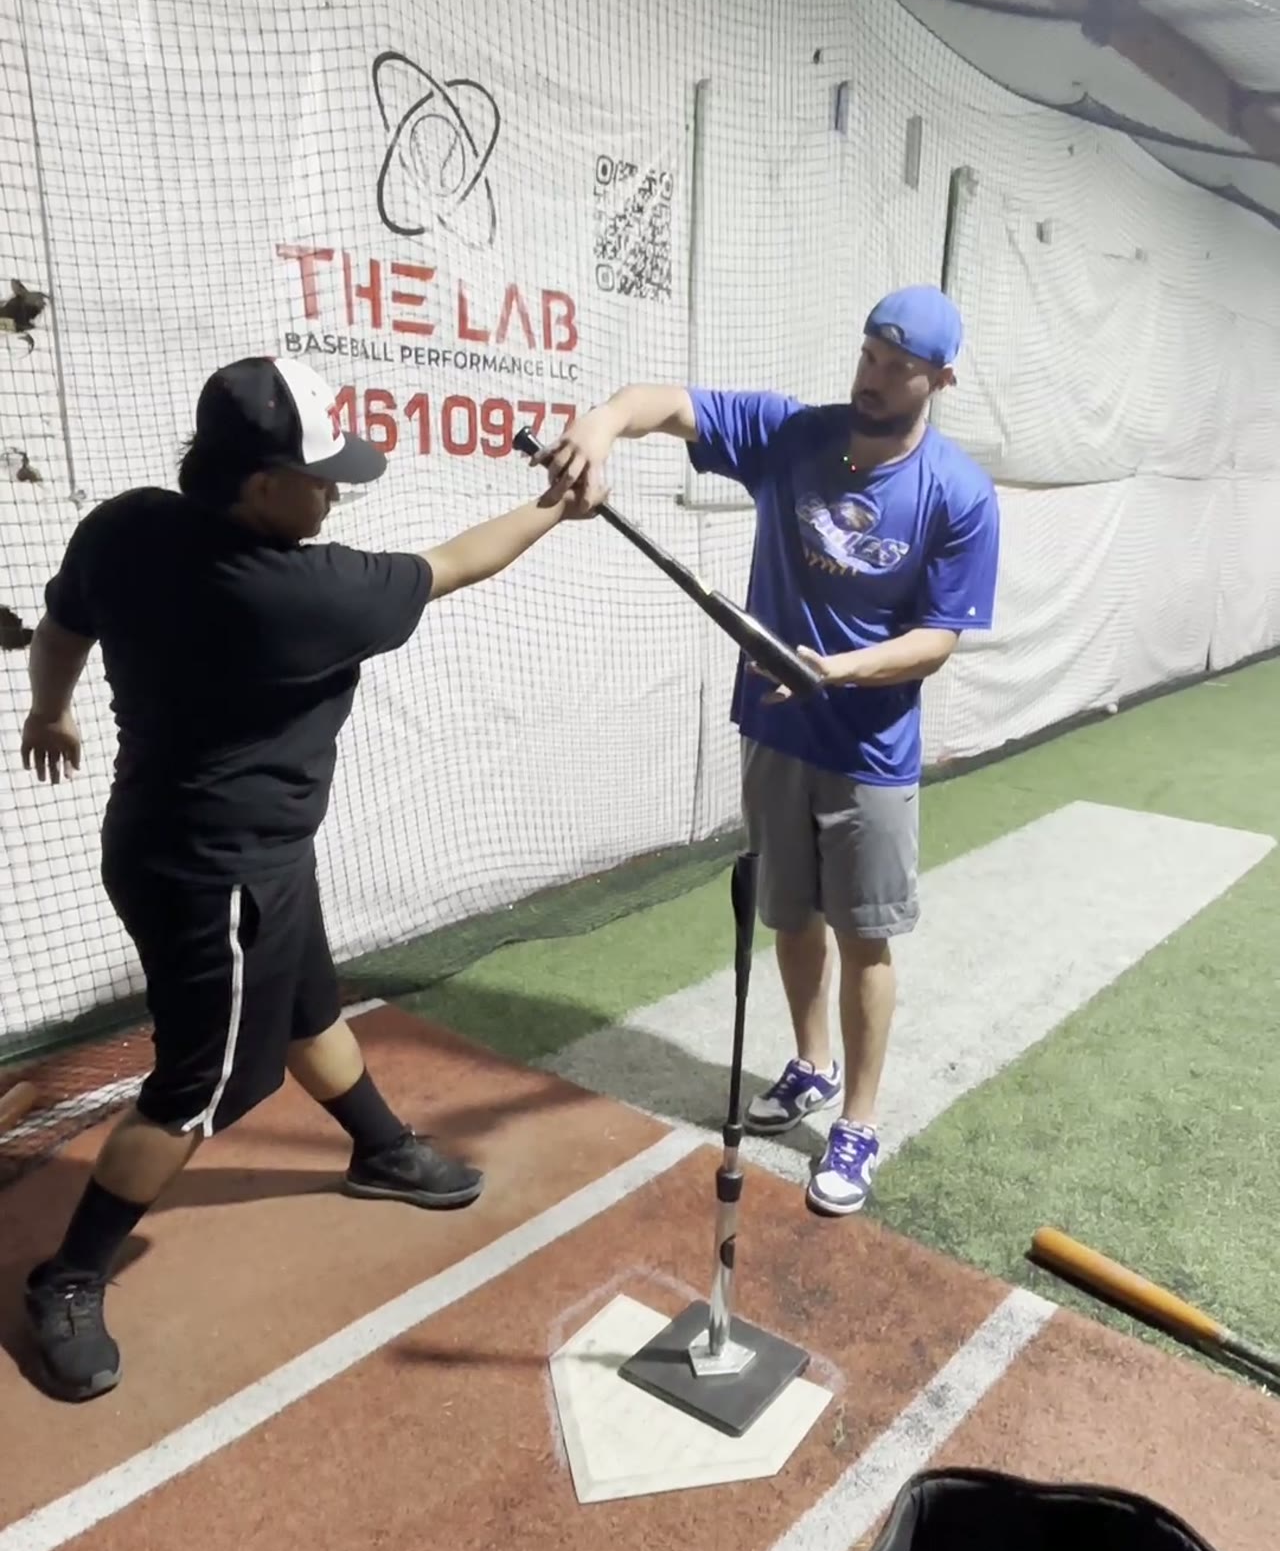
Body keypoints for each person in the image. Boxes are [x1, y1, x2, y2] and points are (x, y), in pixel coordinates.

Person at [18, 354, 586, 1402]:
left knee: (310, 1002)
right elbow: (458, 561)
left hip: (189, 843)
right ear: (255, 482)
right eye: (318, 476)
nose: (334, 493)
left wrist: (49, 708)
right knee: (198, 1091)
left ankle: (378, 1147)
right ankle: (68, 1273)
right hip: (219, 875)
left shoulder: (125, 525)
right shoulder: (298, 596)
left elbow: (61, 627)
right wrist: (555, 505)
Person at [543, 285, 1000, 1219]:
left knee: (864, 936)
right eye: (868, 355)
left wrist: (837, 669)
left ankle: (860, 1122)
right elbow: (660, 405)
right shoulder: (792, 437)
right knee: (792, 915)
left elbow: (941, 637)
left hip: (870, 749)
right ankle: (812, 1065)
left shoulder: (957, 493)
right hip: (774, 732)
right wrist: (599, 426)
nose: (871, 378)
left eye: (896, 367)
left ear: (939, 379)